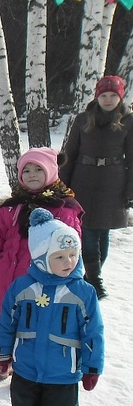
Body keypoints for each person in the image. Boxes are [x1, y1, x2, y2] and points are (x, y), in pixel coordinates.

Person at [0, 208, 104, 406]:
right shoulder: (22, 287)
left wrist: (92, 367)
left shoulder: (83, 292)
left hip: (63, 368)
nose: (69, 262)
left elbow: (93, 332)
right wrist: (3, 352)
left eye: (73, 255)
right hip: (26, 363)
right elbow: (7, 322)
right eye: (60, 257)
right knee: (24, 402)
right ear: (42, 258)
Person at [0, 147, 83, 380]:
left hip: (43, 280)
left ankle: (27, 362)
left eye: (38, 169)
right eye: (27, 170)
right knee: (7, 321)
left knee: (34, 322)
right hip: (8, 276)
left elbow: (72, 246)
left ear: (51, 171)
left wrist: (70, 275)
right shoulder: (11, 207)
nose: (32, 174)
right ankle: (4, 360)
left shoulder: (64, 208)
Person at [60, 75, 133, 299]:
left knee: (103, 231)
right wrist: (62, 186)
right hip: (83, 179)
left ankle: (92, 276)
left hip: (113, 181)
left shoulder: (128, 121)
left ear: (120, 97)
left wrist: (130, 191)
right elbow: (69, 154)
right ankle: (95, 280)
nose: (108, 100)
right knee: (88, 229)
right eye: (104, 95)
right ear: (97, 97)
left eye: (113, 95)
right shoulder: (83, 119)